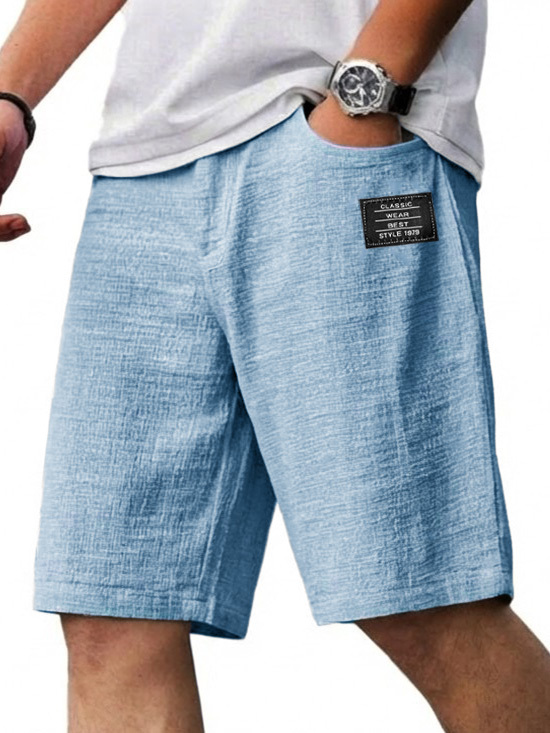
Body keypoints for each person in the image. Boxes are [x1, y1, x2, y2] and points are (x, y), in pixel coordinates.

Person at [1, 0, 549, 730]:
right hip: (141, 167)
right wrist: (10, 97)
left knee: (419, 592)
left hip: (344, 131)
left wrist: (368, 91)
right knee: (114, 612)